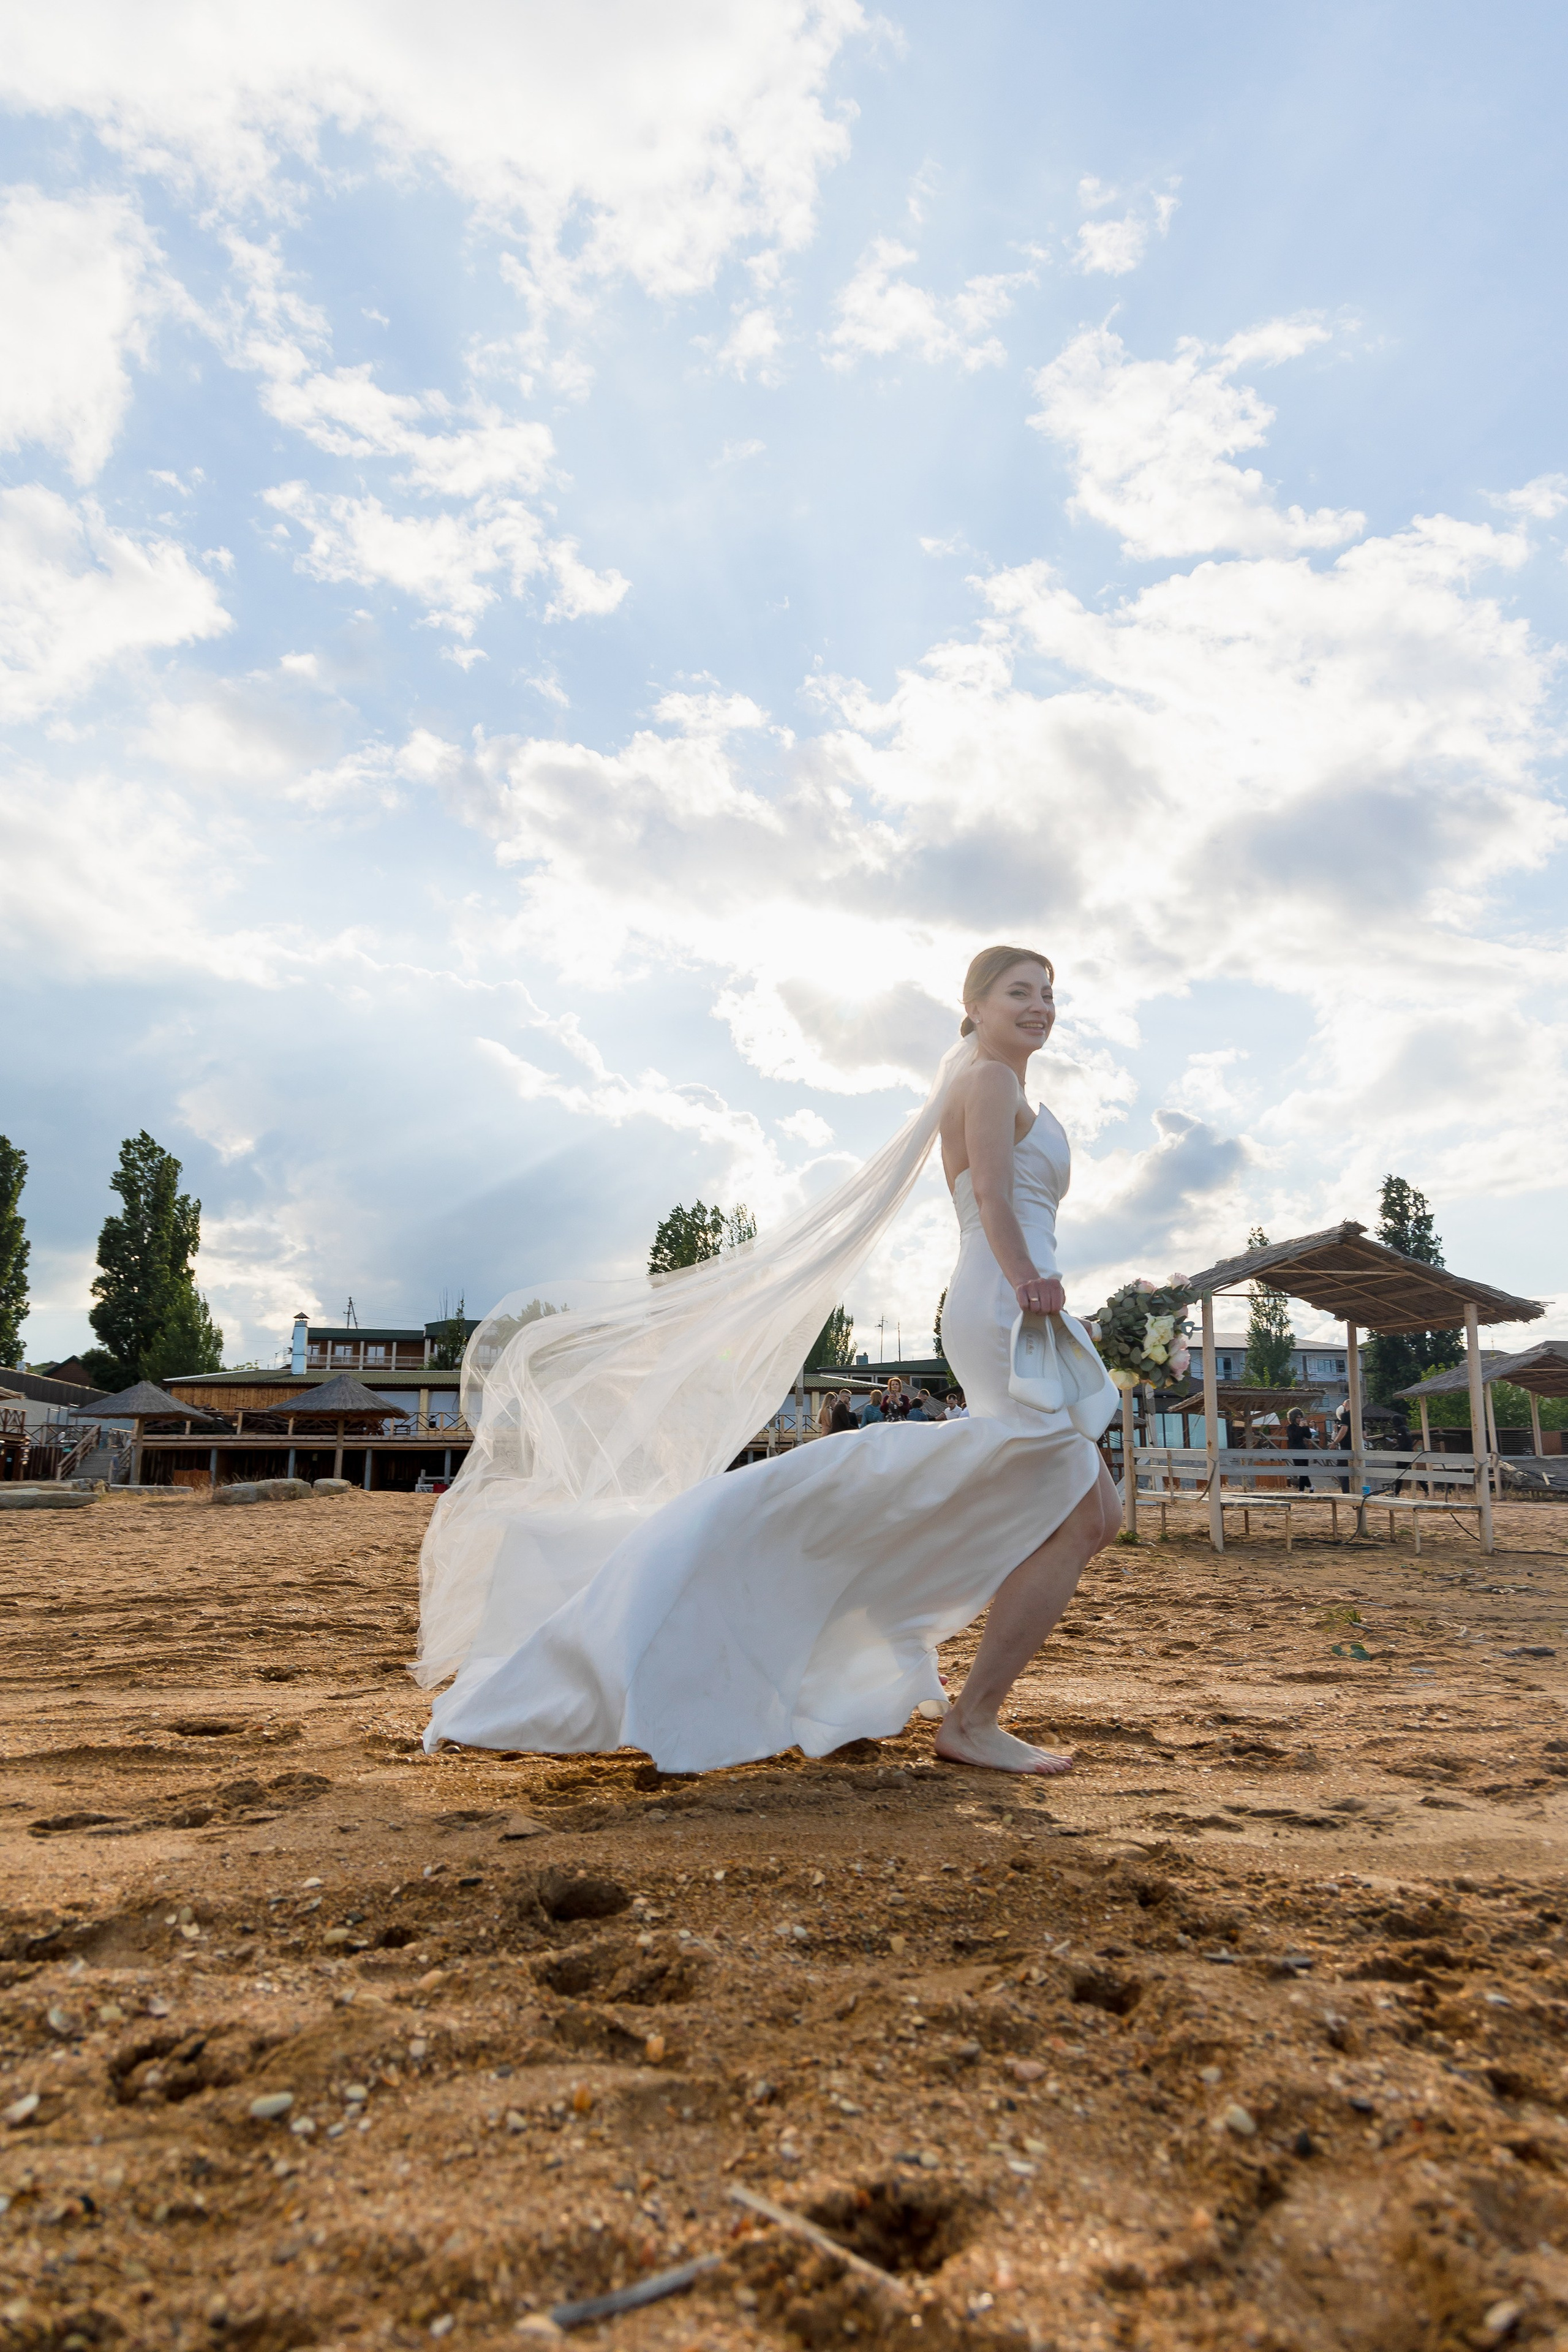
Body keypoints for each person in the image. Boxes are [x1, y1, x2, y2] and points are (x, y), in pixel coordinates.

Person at [417, 943, 1121, 1779]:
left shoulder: (993, 1082)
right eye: (1019, 992)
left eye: (1049, 992)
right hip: (1010, 1303)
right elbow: (996, 1201)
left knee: (1082, 1507)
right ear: (974, 1005)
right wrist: (1031, 1282)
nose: (1040, 1005)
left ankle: (904, 1651)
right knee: (1080, 1504)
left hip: (1013, 1300)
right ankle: (970, 1717)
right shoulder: (991, 1082)